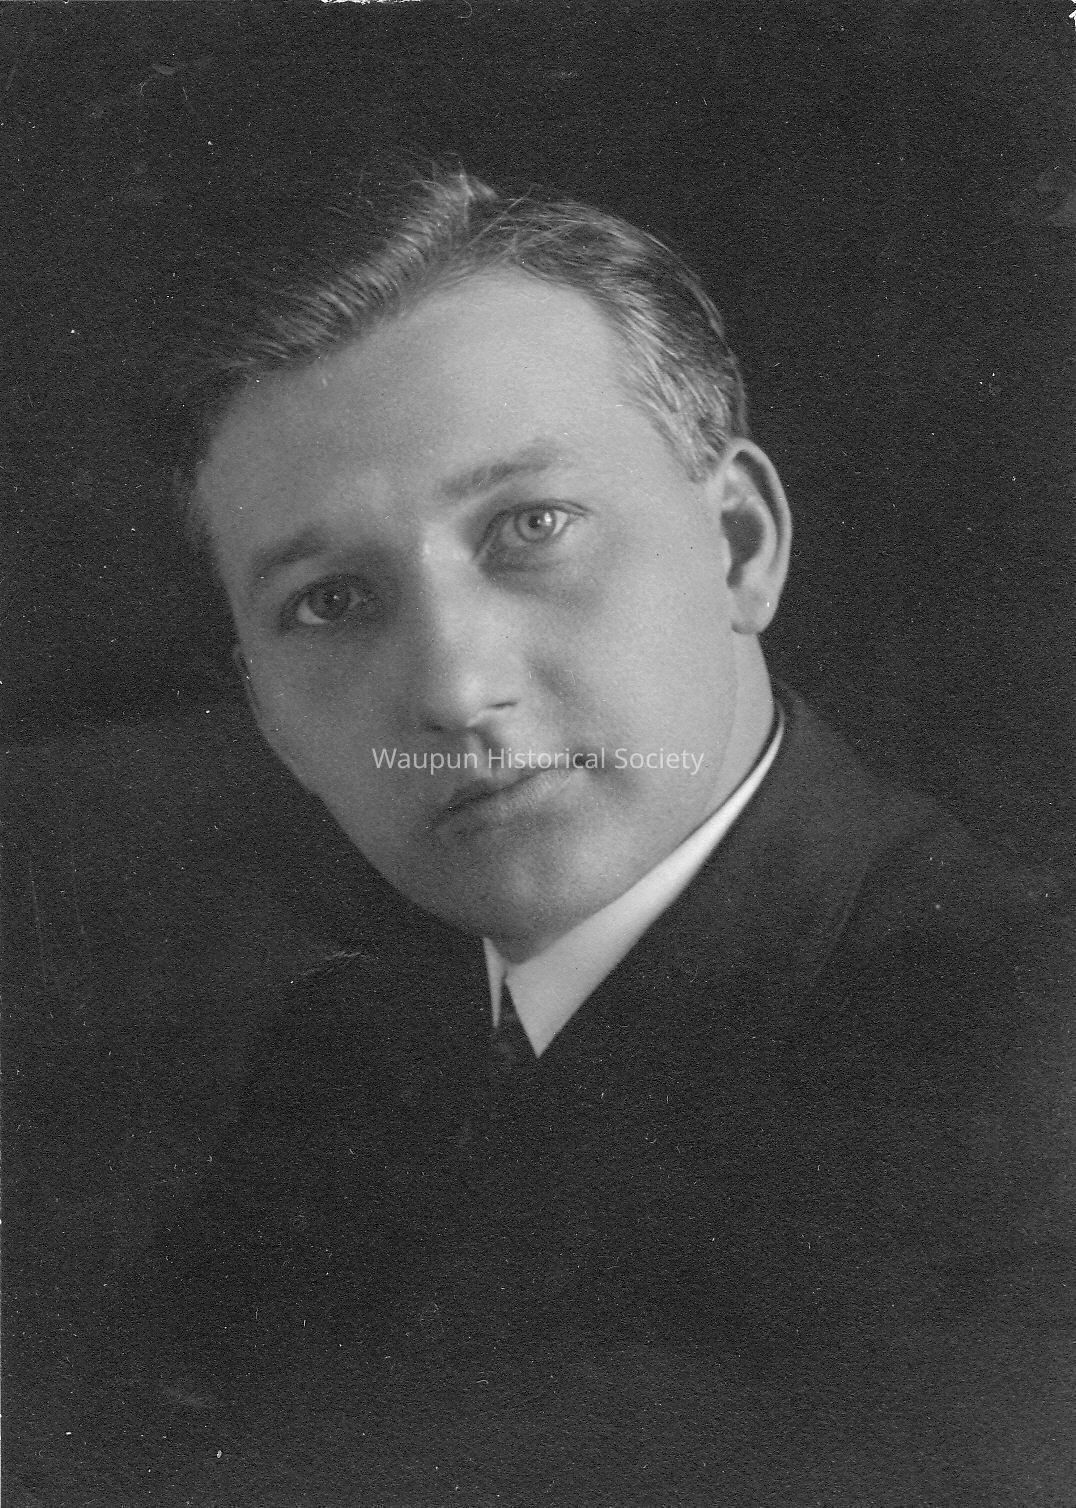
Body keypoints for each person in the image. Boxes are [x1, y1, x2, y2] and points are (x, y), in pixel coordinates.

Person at [4, 164, 1073, 1505]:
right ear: (270, 718)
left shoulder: (1023, 1047)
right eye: (331, 601)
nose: (455, 689)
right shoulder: (342, 1071)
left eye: (531, 527)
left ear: (739, 544)